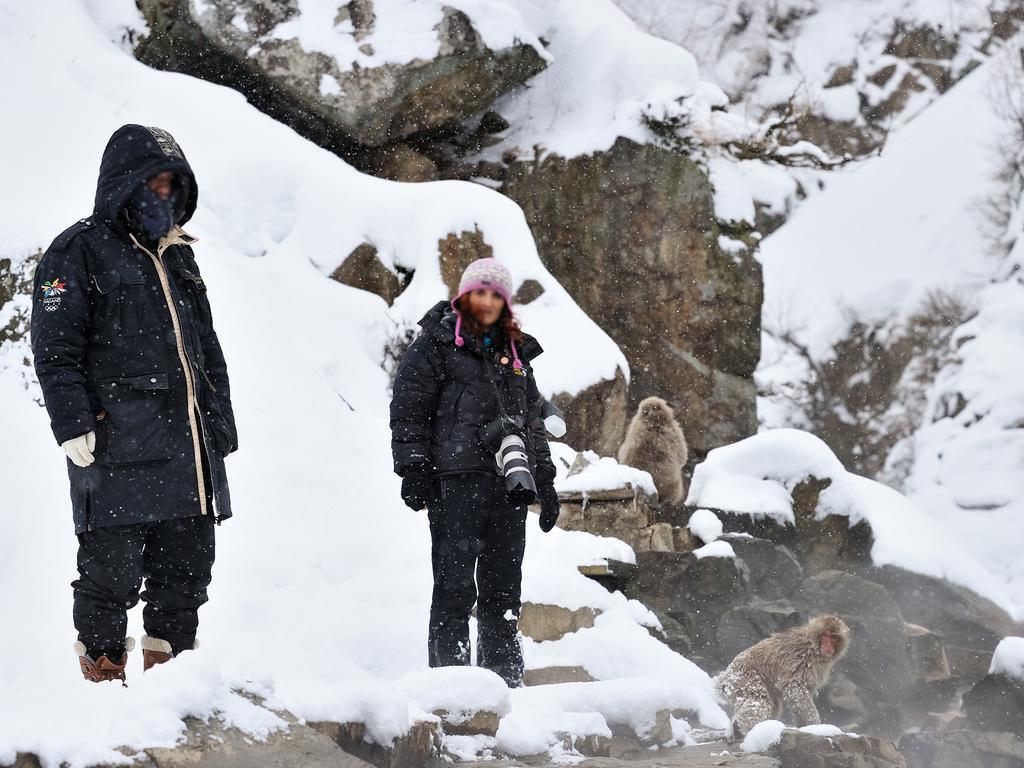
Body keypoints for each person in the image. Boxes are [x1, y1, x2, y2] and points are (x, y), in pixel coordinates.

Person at [30, 124, 237, 683]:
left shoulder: (179, 257)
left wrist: (219, 424)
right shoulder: (77, 251)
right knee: (109, 577)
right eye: (154, 182)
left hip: (188, 450)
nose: (163, 195)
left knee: (187, 576)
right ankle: (104, 692)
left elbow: (206, 349)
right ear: (124, 182)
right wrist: (71, 422)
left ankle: (175, 696)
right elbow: (55, 350)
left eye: (173, 185)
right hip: (116, 449)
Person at [390, 258, 561, 686]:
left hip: (508, 486)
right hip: (454, 482)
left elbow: (532, 423)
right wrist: (413, 469)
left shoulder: (516, 354)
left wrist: (547, 482)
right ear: (465, 295)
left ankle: (505, 687)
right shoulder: (436, 343)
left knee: (503, 593)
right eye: (479, 292)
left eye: (495, 295)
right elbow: (410, 409)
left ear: (504, 303)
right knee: (454, 590)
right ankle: (452, 692)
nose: (486, 301)